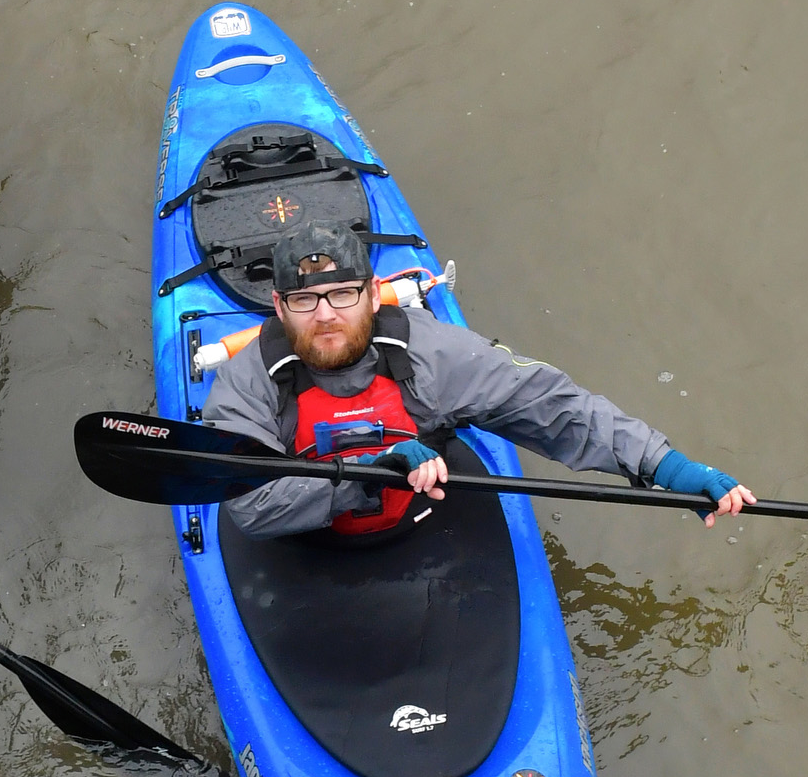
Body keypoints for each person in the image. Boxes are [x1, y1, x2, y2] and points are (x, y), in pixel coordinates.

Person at [203, 221, 755, 541]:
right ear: (278, 306)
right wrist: (368, 474)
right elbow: (250, 507)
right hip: (306, 543)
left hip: (419, 519)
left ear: (373, 294)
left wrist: (664, 466)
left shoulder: (433, 354)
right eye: (304, 300)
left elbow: (554, 407)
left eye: (343, 294)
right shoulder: (246, 383)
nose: (325, 315)